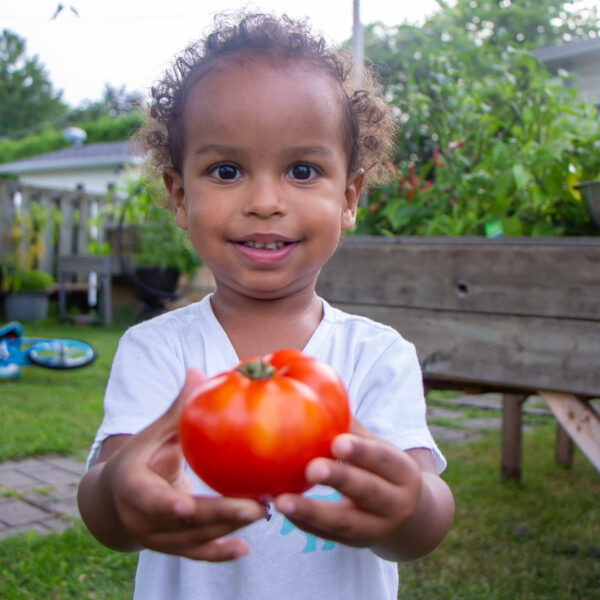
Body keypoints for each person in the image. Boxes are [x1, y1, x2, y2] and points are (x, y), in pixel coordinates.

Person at [77, 12, 454, 600]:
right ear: (180, 196)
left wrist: (411, 508)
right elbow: (109, 507)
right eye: (226, 171)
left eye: (302, 170)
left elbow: (423, 520)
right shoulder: (157, 350)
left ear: (349, 197)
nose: (264, 201)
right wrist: (120, 497)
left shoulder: (376, 356)